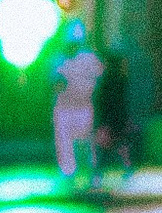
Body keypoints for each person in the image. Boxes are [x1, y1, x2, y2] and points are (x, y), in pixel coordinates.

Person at [51, 29, 102, 183]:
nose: (72, 47)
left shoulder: (90, 59)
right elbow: (53, 83)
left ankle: (94, 171)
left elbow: (100, 79)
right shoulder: (59, 60)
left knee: (90, 142)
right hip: (64, 108)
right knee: (64, 141)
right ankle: (68, 171)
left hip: (84, 106)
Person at [92, 48, 133, 178]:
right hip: (119, 116)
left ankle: (98, 173)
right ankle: (127, 168)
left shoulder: (105, 81)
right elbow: (123, 101)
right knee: (121, 144)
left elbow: (102, 101)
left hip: (107, 117)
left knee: (104, 147)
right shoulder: (121, 80)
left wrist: (100, 120)